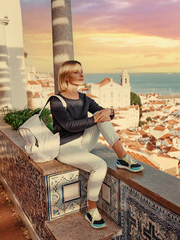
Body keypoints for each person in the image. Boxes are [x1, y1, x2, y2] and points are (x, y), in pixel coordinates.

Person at [50, 60, 143, 229]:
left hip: (84, 142)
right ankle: (91, 210)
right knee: (99, 165)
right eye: (76, 72)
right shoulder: (56, 101)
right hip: (66, 147)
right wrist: (95, 117)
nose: (81, 74)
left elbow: (103, 114)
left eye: (82, 71)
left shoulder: (84, 98)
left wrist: (110, 111)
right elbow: (68, 126)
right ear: (66, 76)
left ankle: (123, 158)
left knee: (101, 115)